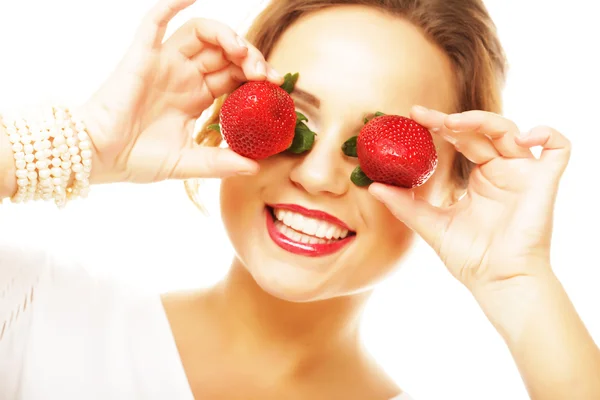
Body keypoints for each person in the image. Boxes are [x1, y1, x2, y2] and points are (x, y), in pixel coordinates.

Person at [0, 0, 598, 399]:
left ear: (452, 184)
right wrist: (71, 145)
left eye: (374, 148)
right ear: (220, 118)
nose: (317, 176)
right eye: (291, 120)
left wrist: (519, 282)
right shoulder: (27, 312)